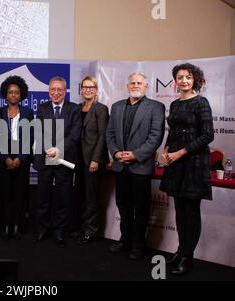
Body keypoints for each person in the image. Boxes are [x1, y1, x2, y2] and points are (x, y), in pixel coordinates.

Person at [159, 63, 214, 275]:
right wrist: (165, 149)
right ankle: (180, 251)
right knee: (180, 211)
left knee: (191, 212)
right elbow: (172, 132)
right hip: (175, 164)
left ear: (195, 80)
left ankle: (188, 258)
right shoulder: (174, 105)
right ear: (176, 80)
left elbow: (208, 135)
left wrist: (180, 152)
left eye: (188, 77)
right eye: (180, 77)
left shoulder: (201, 102)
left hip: (194, 163)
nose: (184, 80)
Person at [106, 72, 165, 260]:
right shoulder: (116, 107)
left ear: (146, 86)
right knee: (123, 205)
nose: (136, 85)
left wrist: (135, 155)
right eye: (132, 83)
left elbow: (156, 136)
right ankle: (125, 240)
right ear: (127, 86)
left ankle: (138, 244)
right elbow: (110, 134)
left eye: (139, 83)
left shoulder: (156, 107)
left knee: (140, 208)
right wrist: (115, 153)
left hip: (140, 167)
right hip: (120, 166)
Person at [33, 76, 82, 248]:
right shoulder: (42, 107)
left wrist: (58, 149)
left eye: (59, 90)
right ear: (48, 91)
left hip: (64, 160)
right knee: (42, 197)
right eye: (52, 89)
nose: (55, 93)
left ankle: (60, 231)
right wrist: (49, 149)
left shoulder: (74, 109)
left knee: (63, 197)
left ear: (65, 91)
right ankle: (42, 229)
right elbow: (38, 130)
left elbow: (75, 134)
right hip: (45, 158)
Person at [74, 75, 109, 244]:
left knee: (91, 197)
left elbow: (103, 136)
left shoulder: (101, 109)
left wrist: (96, 159)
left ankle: (91, 230)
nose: (87, 90)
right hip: (78, 160)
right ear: (81, 90)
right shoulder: (78, 108)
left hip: (92, 160)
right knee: (80, 195)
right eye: (85, 87)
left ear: (96, 90)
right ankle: (81, 227)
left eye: (91, 87)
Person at [0, 75, 33, 240]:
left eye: (16, 92)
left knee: (20, 194)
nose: (13, 95)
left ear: (21, 95)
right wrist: (5, 157)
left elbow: (30, 137)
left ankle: (19, 226)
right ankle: (5, 225)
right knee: (4, 195)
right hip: (3, 159)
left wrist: (20, 158)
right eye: (10, 92)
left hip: (22, 159)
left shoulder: (27, 112)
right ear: (5, 94)